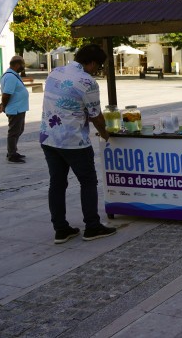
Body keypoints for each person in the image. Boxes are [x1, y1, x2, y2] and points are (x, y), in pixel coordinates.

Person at [40, 44, 116, 244]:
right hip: (73, 141)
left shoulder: (55, 72)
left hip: (49, 137)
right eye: (98, 67)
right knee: (88, 181)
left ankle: (61, 229)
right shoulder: (87, 82)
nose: (97, 71)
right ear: (91, 62)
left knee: (57, 183)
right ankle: (92, 226)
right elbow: (96, 117)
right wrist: (105, 134)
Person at [0, 56, 29, 164]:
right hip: (15, 109)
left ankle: (13, 151)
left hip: (19, 108)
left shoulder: (13, 75)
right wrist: (3, 105)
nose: (23, 67)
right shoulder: (10, 77)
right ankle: (11, 155)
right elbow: (6, 94)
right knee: (14, 132)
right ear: (16, 65)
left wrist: (2, 104)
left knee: (18, 131)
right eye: (22, 65)